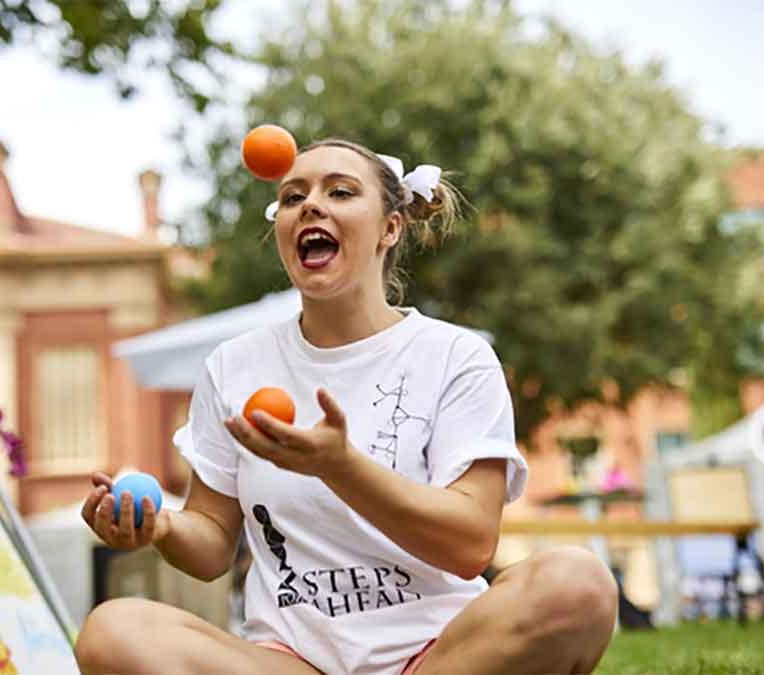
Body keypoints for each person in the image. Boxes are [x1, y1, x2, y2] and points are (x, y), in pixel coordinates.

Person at [75, 139, 619, 675]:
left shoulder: (456, 356)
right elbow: (213, 542)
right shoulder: (233, 366)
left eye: (340, 191)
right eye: (292, 197)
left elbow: (470, 544)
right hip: (292, 662)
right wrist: (162, 530)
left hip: (441, 656)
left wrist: (339, 466)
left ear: (390, 228)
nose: (311, 204)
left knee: (577, 584)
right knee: (113, 632)